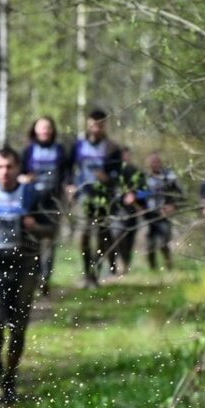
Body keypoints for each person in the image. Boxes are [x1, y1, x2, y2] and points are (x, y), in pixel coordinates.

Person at [0, 147, 46, 403]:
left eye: (10, 167)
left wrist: (35, 226)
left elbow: (52, 228)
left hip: (25, 265)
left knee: (17, 326)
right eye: (0, 167)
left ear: (18, 169)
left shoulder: (31, 195)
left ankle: (10, 378)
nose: (5, 172)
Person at [65, 108, 123, 287]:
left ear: (104, 125)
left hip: (104, 197)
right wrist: (70, 184)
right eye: (92, 125)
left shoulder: (112, 148)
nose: (96, 129)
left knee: (102, 235)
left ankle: (97, 272)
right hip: (84, 195)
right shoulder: (79, 146)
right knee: (84, 234)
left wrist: (108, 178)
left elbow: (118, 173)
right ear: (88, 125)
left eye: (100, 125)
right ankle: (87, 272)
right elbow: (68, 167)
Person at [19, 117, 71, 295]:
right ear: (35, 130)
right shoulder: (28, 151)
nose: (45, 131)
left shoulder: (59, 150)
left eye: (48, 127)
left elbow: (67, 172)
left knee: (49, 241)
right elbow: (19, 174)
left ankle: (45, 279)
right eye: (41, 127)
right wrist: (24, 179)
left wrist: (69, 186)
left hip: (52, 201)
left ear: (52, 130)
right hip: (32, 202)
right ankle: (34, 276)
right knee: (33, 241)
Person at [141, 153, 183, 270]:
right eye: (152, 162)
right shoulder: (143, 178)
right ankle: (153, 269)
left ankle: (169, 265)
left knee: (163, 242)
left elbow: (181, 194)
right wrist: (139, 207)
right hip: (148, 215)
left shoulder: (169, 177)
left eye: (157, 161)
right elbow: (136, 194)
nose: (155, 164)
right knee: (150, 245)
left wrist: (173, 205)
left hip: (164, 215)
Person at [110, 147, 147, 274]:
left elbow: (146, 191)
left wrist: (135, 196)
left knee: (129, 239)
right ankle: (114, 267)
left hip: (132, 211)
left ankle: (126, 265)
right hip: (116, 211)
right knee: (116, 235)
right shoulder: (113, 172)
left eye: (127, 155)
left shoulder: (136, 172)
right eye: (122, 155)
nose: (125, 158)